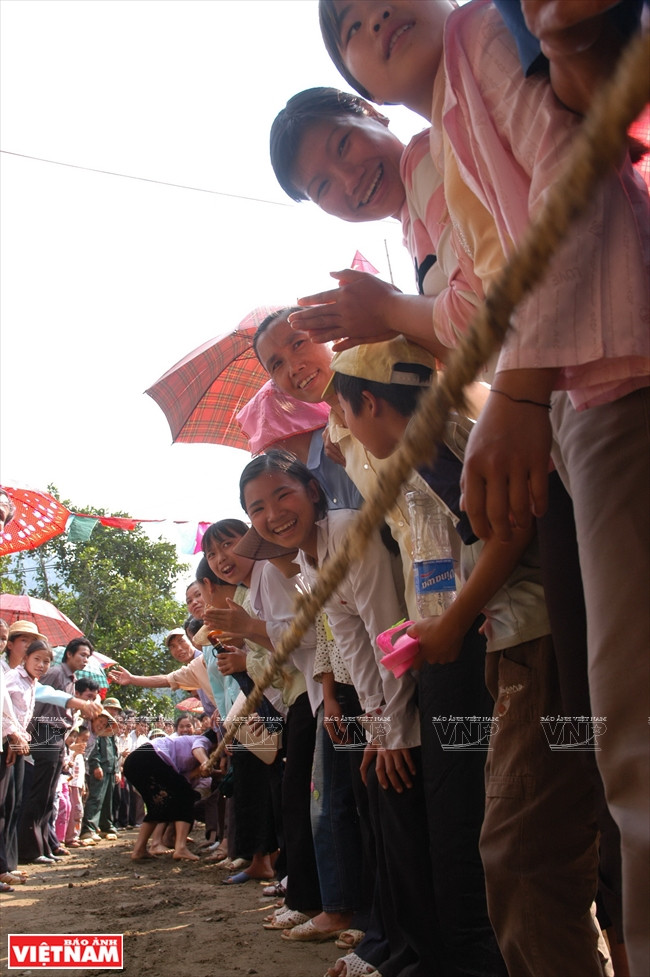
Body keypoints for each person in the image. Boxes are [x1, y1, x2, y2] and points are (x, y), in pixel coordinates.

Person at [316, 3, 649, 973]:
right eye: (318, 182)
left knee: (554, 803)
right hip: (511, 613)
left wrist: (501, 375)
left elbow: (500, 504)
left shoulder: (467, 56)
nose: (342, 180)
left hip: (526, 601)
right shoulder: (441, 149)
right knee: (562, 797)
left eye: (341, 149)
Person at [240, 448, 444, 973]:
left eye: (282, 494)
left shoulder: (350, 534)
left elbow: (387, 634)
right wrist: (378, 727)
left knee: (401, 817)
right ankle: (389, 943)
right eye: (257, 508)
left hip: (427, 674)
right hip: (381, 697)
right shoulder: (310, 560)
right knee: (378, 812)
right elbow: (352, 644)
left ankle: (412, 952)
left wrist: (394, 729)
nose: (273, 514)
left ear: (312, 490)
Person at [17, 636, 96, 864]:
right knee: (39, 793)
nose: (84, 660)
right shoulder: (54, 674)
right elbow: (37, 704)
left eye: (88, 657)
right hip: (43, 732)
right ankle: (29, 849)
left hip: (57, 736)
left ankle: (46, 844)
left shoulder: (71, 678)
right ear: (69, 654)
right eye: (81, 654)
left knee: (48, 795)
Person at [1, 638, 54, 886]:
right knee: (3, 806)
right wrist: (11, 738)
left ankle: (8, 865)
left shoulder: (32, 683)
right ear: (25, 658)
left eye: (46, 661)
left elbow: (21, 717)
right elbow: (5, 713)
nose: (41, 665)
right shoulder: (12, 678)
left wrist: (19, 739)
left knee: (13, 804)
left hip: (19, 743)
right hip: (8, 742)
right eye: (37, 659)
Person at [123, 727, 218, 861]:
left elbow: (181, 779)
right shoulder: (202, 740)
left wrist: (208, 770)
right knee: (186, 796)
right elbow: (198, 749)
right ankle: (180, 848)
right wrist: (205, 762)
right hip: (149, 756)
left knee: (158, 806)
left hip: (135, 762)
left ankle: (139, 849)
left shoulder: (189, 758)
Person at [79, 696, 121, 844]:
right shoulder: (94, 730)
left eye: (116, 710)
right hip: (100, 767)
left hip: (110, 767)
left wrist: (116, 769)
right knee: (95, 798)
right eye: (111, 708)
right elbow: (93, 750)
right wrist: (95, 765)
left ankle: (105, 826)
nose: (113, 712)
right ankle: (88, 829)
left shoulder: (108, 731)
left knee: (107, 799)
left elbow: (115, 752)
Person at [65, 725, 90, 848]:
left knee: (79, 811)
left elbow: (81, 772)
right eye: (82, 740)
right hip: (71, 785)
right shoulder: (71, 752)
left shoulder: (80, 754)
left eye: (86, 741)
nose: (84, 743)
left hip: (78, 786)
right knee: (74, 811)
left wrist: (83, 785)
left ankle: (75, 835)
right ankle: (70, 837)